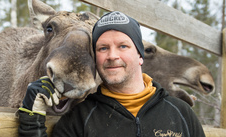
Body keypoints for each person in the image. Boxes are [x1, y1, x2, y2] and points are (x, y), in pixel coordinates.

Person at [18, 11, 206, 137]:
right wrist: (31, 120)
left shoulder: (181, 114)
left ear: (140, 56)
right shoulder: (80, 119)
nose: (112, 56)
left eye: (123, 46)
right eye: (103, 48)